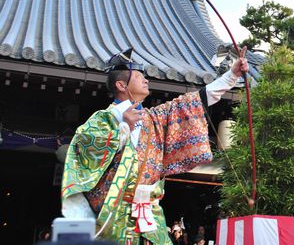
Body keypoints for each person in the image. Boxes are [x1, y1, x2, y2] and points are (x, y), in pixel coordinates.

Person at [60, 48, 248, 244]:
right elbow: (85, 151)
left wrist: (231, 75)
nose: (146, 80)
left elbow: (196, 100)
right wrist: (123, 128)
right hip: (113, 214)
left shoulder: (154, 118)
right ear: (121, 84)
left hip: (149, 212)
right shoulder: (103, 119)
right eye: (140, 76)